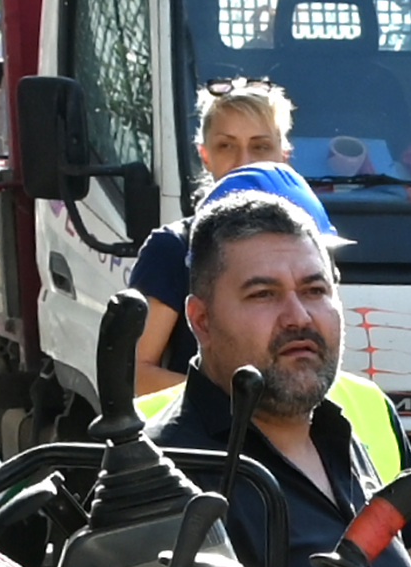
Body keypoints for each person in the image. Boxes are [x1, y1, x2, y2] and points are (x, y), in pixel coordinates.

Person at [159, 195, 411, 567]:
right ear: (200, 321)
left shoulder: (341, 432)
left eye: (315, 289)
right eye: (263, 294)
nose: (298, 316)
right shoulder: (172, 475)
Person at [130, 78, 314, 396]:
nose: (243, 162)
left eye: (260, 147)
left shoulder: (311, 246)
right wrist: (242, 403)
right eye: (226, 146)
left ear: (284, 155)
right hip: (200, 443)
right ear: (205, 155)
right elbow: (134, 377)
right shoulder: (174, 248)